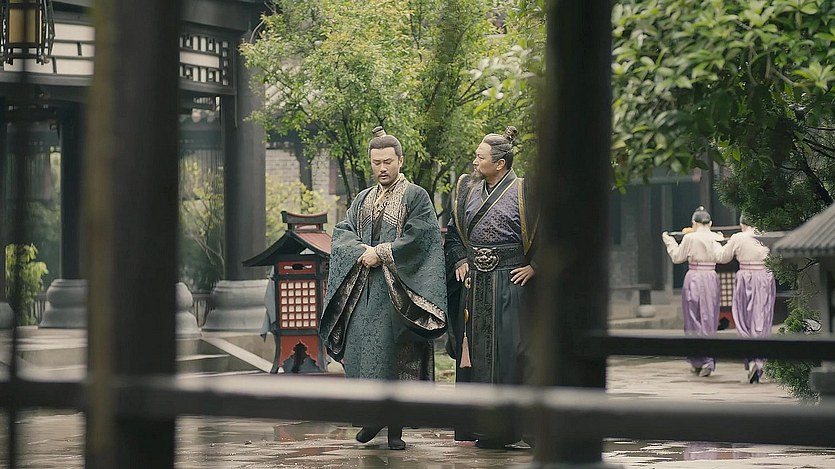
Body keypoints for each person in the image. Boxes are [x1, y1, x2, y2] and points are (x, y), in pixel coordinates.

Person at [319, 126, 447, 450]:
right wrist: (361, 251)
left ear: (400, 161)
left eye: (388, 161)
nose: (382, 168)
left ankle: (394, 429)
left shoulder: (416, 196)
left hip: (398, 292)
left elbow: (422, 237)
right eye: (376, 163)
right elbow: (343, 231)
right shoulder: (362, 198)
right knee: (361, 354)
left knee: (396, 357)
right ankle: (369, 416)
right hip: (363, 290)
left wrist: (384, 252)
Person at [444, 126, 538, 448]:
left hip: (510, 284)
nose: (475, 161)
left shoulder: (525, 191)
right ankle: (481, 428)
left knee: (512, 355)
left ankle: (514, 428)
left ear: (500, 163)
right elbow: (453, 233)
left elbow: (554, 231)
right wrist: (459, 259)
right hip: (474, 286)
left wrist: (535, 266)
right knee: (474, 356)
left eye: (480, 157)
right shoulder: (467, 190)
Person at [661, 206, 723, 377]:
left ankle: (698, 359)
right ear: (710, 223)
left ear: (694, 223)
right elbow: (721, 257)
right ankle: (707, 359)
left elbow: (677, 257)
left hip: (694, 276)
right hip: (710, 276)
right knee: (709, 318)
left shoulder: (690, 238)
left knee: (692, 318)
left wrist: (669, 241)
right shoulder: (716, 237)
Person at [716, 213, 775, 383]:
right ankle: (759, 360)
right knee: (761, 317)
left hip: (745, 276)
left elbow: (722, 257)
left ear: (742, 223)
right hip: (764, 276)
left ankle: (751, 359)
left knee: (744, 318)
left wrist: (716, 242)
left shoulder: (738, 237)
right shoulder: (766, 236)